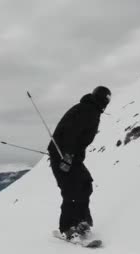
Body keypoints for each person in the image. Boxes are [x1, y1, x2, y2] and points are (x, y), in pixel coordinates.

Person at [48, 86, 111, 240]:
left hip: (72, 157)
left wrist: (73, 157)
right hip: (63, 155)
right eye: (106, 99)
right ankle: (67, 228)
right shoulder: (86, 110)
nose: (106, 103)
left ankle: (81, 221)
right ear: (100, 98)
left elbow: (79, 139)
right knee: (70, 191)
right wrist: (67, 156)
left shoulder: (91, 110)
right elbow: (71, 132)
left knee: (85, 184)